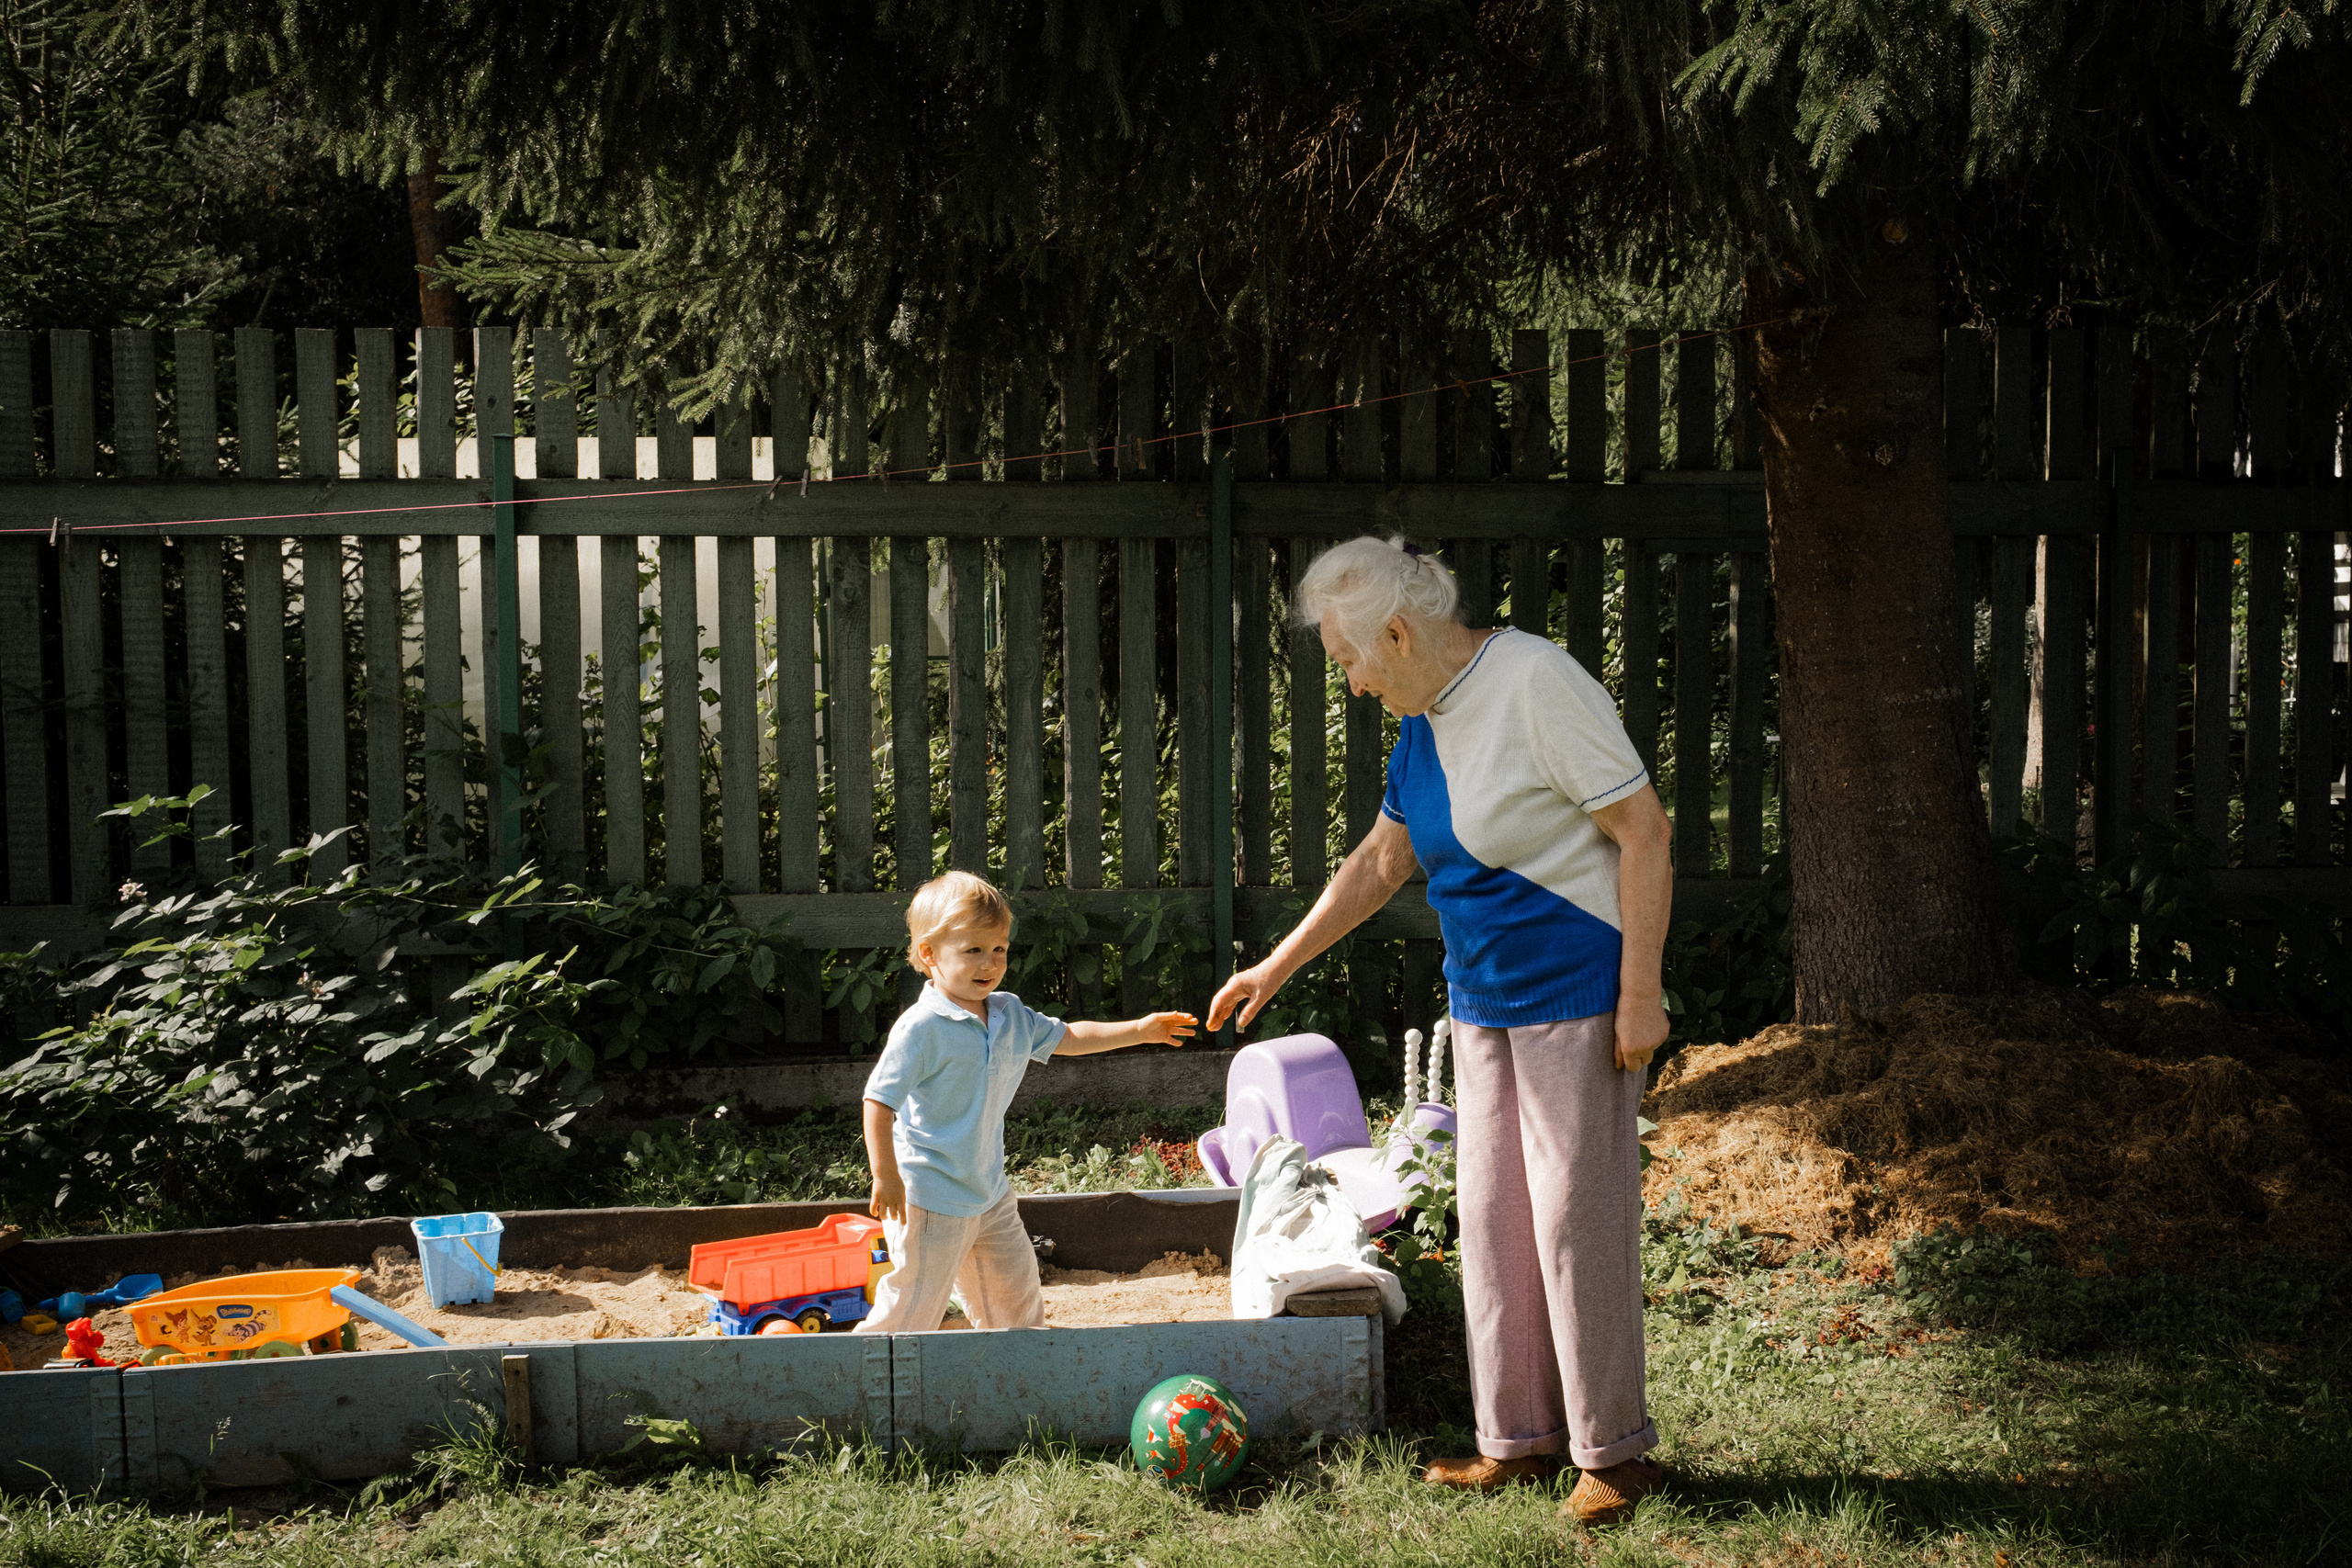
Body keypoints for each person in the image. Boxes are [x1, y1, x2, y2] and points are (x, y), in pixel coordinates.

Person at [1205, 536, 1674, 1527]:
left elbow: (1644, 831)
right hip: (1484, 1002)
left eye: (1347, 658)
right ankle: (1520, 1442)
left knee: (1572, 1228)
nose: (1351, 681)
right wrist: (1275, 964)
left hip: (1577, 993)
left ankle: (1615, 1456)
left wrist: (1641, 994)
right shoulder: (1427, 716)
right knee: (1498, 1224)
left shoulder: (1538, 682)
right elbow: (1382, 862)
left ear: (1397, 631)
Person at [859, 870, 1196, 1333]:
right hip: (928, 1196)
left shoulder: (1008, 1014)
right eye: (973, 950)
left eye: (998, 949)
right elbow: (879, 1101)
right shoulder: (921, 1028)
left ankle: (1018, 1377)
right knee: (911, 1310)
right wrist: (886, 1176)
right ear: (929, 954)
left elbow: (1071, 1037)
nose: (989, 963)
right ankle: (865, 1386)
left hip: (989, 1190)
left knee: (1016, 1301)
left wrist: (1141, 1030)